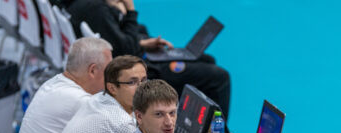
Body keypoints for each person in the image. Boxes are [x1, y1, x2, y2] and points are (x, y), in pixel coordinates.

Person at [56, 0, 231, 119]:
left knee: (206, 59)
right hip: (140, 71)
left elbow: (119, 41)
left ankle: (192, 126)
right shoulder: (96, 9)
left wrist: (141, 41)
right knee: (219, 77)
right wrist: (129, 11)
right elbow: (126, 50)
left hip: (137, 60)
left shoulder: (83, 5)